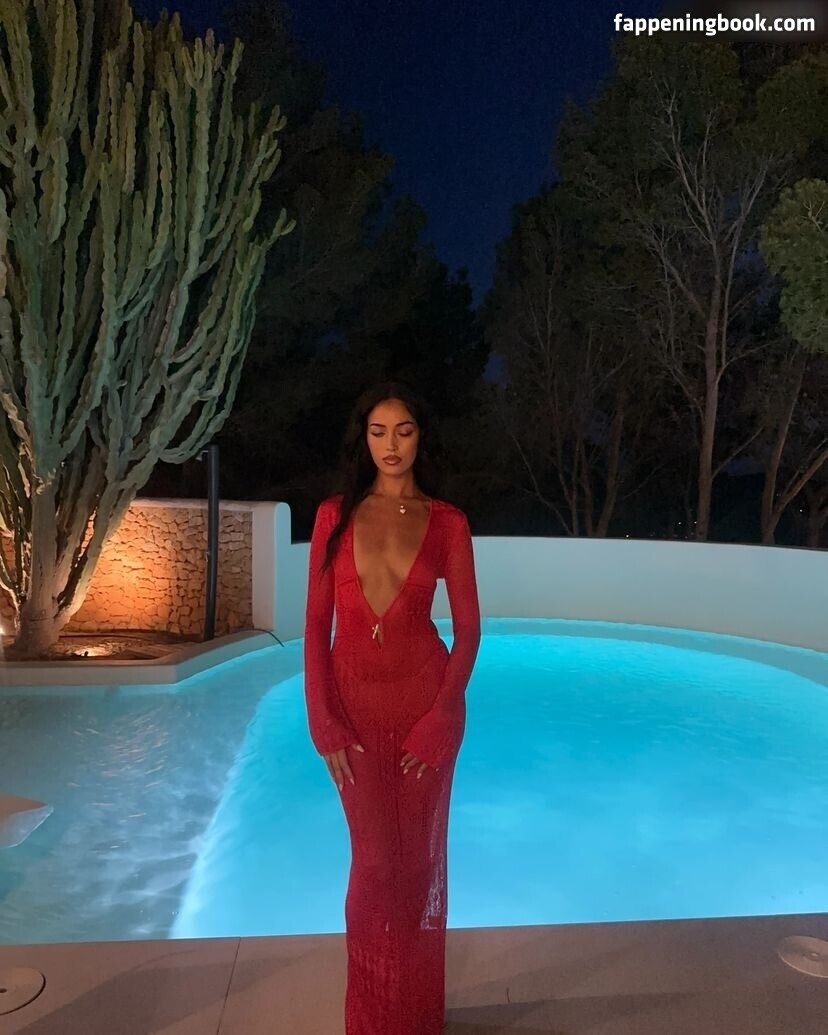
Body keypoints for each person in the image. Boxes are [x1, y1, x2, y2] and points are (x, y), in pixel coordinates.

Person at [303, 382, 481, 1035]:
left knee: (418, 865)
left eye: (403, 430)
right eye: (378, 432)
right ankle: (372, 1015)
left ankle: (415, 1012)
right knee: (375, 865)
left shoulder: (448, 522)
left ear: (420, 436)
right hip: (353, 713)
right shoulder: (334, 516)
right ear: (364, 439)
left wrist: (442, 716)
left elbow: (468, 632)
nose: (391, 445)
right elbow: (315, 625)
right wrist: (322, 720)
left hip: (424, 707)